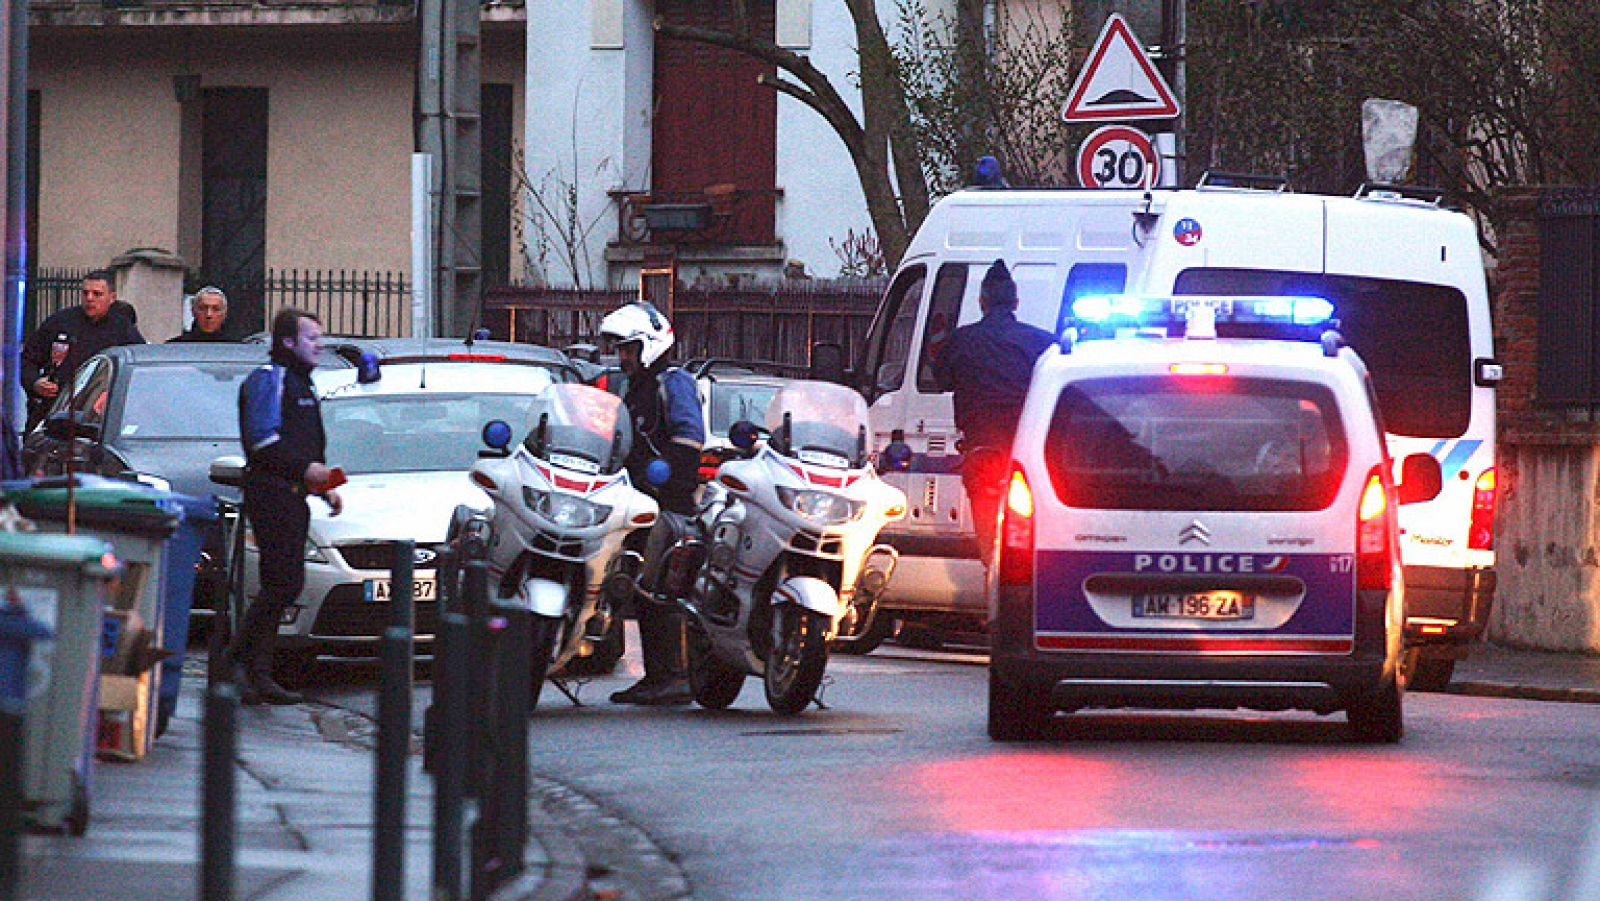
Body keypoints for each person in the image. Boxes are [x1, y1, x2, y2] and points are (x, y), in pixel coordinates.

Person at [226, 308, 343, 706]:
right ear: (288, 343)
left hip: (294, 494)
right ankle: (237, 667)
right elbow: (261, 441)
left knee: (285, 583)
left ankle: (254, 672)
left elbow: (301, 445)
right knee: (281, 583)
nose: (319, 345)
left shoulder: (301, 384)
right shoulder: (269, 380)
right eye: (311, 338)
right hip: (272, 493)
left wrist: (323, 484)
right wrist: (307, 469)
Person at [598, 301, 705, 706]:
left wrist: (668, 473)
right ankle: (658, 675)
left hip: (667, 502)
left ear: (650, 345)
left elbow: (689, 436)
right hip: (637, 497)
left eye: (628, 349)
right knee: (640, 582)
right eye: (620, 349)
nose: (623, 357)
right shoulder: (636, 387)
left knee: (659, 584)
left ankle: (671, 675)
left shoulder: (672, 382)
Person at [930, 259, 1054, 558]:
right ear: (1016, 302)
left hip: (982, 450)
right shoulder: (1042, 342)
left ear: (981, 302)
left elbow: (942, 380)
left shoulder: (961, 340)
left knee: (989, 542)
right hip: (1025, 452)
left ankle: (993, 573)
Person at [19, 269, 144, 429]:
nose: (90, 299)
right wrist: (35, 382)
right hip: (54, 410)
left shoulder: (123, 329)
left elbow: (137, 367)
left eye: (97, 294)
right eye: (85, 293)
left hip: (100, 417)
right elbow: (28, 360)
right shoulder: (60, 322)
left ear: (112, 298)